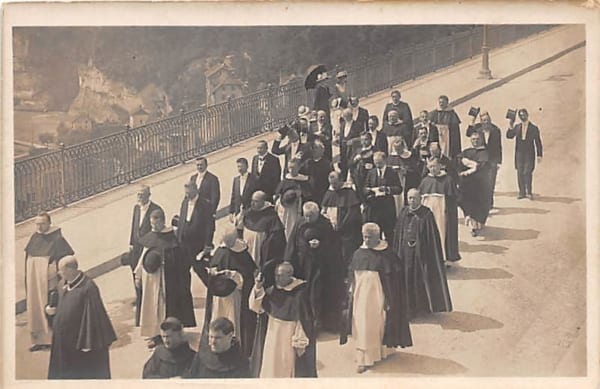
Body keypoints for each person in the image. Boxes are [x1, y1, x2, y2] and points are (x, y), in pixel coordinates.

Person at [342, 223, 412, 373]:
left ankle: (384, 351)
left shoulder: (387, 254)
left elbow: (394, 281)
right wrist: (350, 289)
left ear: (377, 237)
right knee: (362, 324)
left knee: (378, 324)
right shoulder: (358, 253)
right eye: (364, 237)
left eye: (370, 237)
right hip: (360, 296)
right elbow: (352, 273)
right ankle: (364, 359)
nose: (366, 240)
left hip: (378, 296)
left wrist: (390, 298)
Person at [48, 256, 117, 379]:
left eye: (61, 270)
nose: (59, 273)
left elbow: (93, 318)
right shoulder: (63, 283)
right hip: (63, 343)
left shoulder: (88, 288)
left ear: (70, 269)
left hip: (78, 344)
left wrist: (87, 343)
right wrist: (52, 312)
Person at [192, 227, 257, 357]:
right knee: (217, 318)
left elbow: (248, 275)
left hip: (234, 297)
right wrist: (212, 272)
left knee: (232, 320)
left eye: (229, 242)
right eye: (225, 242)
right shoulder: (221, 250)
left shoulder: (242, 252)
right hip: (218, 297)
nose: (227, 245)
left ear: (235, 239)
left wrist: (234, 275)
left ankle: (233, 347)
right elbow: (213, 266)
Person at [135, 209, 196, 348]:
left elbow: (178, 260)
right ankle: (156, 334)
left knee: (165, 308)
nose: (153, 227)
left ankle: (168, 334)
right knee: (152, 307)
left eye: (156, 224)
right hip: (152, 280)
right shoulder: (150, 237)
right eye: (151, 224)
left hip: (167, 281)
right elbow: (143, 258)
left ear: (162, 221)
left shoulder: (171, 237)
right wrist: (138, 275)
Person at [392, 189, 453, 319]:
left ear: (420, 199)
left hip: (420, 254)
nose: (411, 201)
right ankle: (408, 308)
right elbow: (398, 233)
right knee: (405, 278)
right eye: (409, 198)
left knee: (418, 279)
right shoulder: (404, 212)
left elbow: (431, 238)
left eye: (414, 198)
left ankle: (421, 307)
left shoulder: (426, 214)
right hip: (404, 253)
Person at [249, 262, 316, 378]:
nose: (277, 278)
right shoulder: (272, 291)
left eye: (280, 275)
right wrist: (258, 287)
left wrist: (299, 341)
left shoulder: (300, 293)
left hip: (288, 337)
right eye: (276, 275)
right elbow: (255, 307)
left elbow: (304, 320)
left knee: (286, 368)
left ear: (290, 275)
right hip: (272, 335)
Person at [285, 202, 343, 333]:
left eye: (311, 216)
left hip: (320, 266)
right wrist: (288, 262)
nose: (308, 219)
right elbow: (292, 244)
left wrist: (321, 245)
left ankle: (317, 323)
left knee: (316, 294)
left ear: (317, 214)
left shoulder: (325, 224)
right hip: (302, 266)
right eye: (306, 216)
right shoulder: (300, 223)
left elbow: (333, 244)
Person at [24, 212, 75, 352]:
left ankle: (56, 340)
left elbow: (67, 259)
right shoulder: (35, 237)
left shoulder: (57, 239)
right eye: (37, 224)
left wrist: (56, 271)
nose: (39, 226)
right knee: (35, 308)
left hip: (50, 280)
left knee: (51, 308)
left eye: (42, 223)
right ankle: (39, 340)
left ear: (49, 223)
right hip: (35, 280)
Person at [128, 185, 163, 327]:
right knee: (135, 273)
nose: (139, 197)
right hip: (136, 247)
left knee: (145, 274)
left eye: (142, 194)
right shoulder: (136, 208)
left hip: (148, 247)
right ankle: (139, 296)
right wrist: (131, 242)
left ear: (149, 195)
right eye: (138, 195)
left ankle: (144, 301)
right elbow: (134, 226)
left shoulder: (155, 209)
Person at [418, 158, 461, 263]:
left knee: (441, 233)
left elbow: (453, 198)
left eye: (435, 166)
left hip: (441, 213)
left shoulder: (447, 180)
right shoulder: (425, 181)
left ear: (440, 166)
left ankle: (442, 258)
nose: (433, 169)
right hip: (428, 212)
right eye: (430, 167)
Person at [242, 191, 287, 288]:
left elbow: (276, 240)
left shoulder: (271, 217)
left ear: (263, 201)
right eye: (252, 201)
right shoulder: (248, 213)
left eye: (256, 201)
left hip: (258, 251)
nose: (252, 203)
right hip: (247, 248)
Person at [321, 171, 363, 269]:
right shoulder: (329, 192)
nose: (333, 186)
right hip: (332, 231)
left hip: (347, 232)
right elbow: (324, 209)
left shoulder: (349, 193)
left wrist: (341, 225)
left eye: (335, 183)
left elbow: (353, 213)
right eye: (331, 184)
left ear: (341, 181)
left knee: (347, 255)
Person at [185, 317, 251, 378]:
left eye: (218, 338)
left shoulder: (241, 362)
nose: (213, 342)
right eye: (211, 337)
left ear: (230, 336)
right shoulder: (201, 356)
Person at [457, 132, 493, 237]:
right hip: (468, 185)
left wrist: (470, 170)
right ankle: (472, 227)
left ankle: (477, 224)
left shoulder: (485, 153)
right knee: (467, 204)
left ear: (481, 139)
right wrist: (466, 162)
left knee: (480, 206)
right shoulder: (468, 151)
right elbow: (458, 159)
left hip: (480, 185)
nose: (475, 141)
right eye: (473, 139)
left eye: (477, 139)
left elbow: (483, 166)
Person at [363, 151, 402, 242]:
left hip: (387, 208)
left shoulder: (392, 172)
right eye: (375, 162)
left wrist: (387, 189)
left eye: (379, 163)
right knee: (376, 233)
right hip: (374, 208)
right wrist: (369, 190)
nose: (377, 165)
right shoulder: (371, 172)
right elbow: (364, 187)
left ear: (384, 161)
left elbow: (399, 189)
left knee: (389, 234)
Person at [467, 110, 503, 208]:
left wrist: (498, 162)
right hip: (480, 160)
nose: (485, 122)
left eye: (487, 120)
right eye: (483, 121)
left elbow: (499, 147)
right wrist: (472, 120)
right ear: (481, 121)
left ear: (490, 120)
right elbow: (468, 133)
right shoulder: (477, 129)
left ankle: (489, 202)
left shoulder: (496, 130)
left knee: (490, 182)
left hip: (492, 160)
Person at [506, 108, 543, 200]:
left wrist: (539, 155)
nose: (522, 116)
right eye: (520, 115)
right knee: (520, 172)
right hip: (519, 154)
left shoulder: (533, 128)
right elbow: (509, 136)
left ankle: (529, 192)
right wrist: (510, 125)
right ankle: (522, 192)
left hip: (529, 154)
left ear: (527, 115)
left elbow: (538, 142)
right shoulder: (517, 127)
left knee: (527, 172)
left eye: (524, 115)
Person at [274, 158, 313, 241]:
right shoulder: (286, 179)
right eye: (289, 168)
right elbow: (278, 193)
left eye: (293, 168)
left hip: (296, 210)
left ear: (299, 167)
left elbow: (308, 195)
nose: (291, 170)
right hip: (284, 210)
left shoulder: (304, 180)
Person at [176, 181, 212, 260]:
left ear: (196, 190)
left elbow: (209, 226)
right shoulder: (185, 202)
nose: (187, 195)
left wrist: (207, 244)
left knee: (199, 267)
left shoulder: (205, 204)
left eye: (189, 193)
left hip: (198, 243)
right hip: (184, 242)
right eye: (186, 193)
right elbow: (181, 220)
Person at [190, 156, 220, 247]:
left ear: (206, 165)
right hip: (195, 214)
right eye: (197, 165)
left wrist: (212, 211)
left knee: (206, 239)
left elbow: (215, 197)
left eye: (201, 165)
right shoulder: (193, 178)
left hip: (206, 214)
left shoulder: (212, 179)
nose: (199, 167)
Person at [387, 138, 421, 210]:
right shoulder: (391, 157)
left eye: (399, 148)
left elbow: (415, 171)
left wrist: (405, 171)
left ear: (403, 147)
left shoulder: (410, 156)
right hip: (395, 182)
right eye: (396, 148)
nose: (397, 151)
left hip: (407, 182)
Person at [229, 157, 259, 238]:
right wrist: (231, 212)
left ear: (247, 166)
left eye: (241, 166)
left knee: (248, 233)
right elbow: (233, 196)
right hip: (238, 211)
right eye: (238, 167)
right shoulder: (236, 180)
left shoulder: (254, 179)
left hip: (249, 210)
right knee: (238, 233)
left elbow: (256, 194)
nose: (240, 169)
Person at [301, 140, 333, 205]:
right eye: (313, 148)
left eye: (316, 148)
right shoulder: (308, 163)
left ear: (322, 150)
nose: (314, 150)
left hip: (321, 194)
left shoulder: (327, 164)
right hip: (308, 194)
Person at [337, 107, 365, 181]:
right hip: (343, 150)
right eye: (344, 116)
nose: (345, 118)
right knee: (344, 167)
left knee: (352, 168)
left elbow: (362, 138)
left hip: (353, 150)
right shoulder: (342, 125)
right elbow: (341, 137)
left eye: (346, 116)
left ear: (350, 116)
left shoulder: (358, 125)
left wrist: (353, 141)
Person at [349, 132, 376, 203]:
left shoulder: (375, 150)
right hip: (358, 179)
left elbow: (379, 164)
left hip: (369, 179)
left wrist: (372, 165)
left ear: (371, 140)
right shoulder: (357, 150)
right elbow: (350, 164)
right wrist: (355, 159)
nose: (363, 142)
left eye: (366, 139)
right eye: (362, 140)